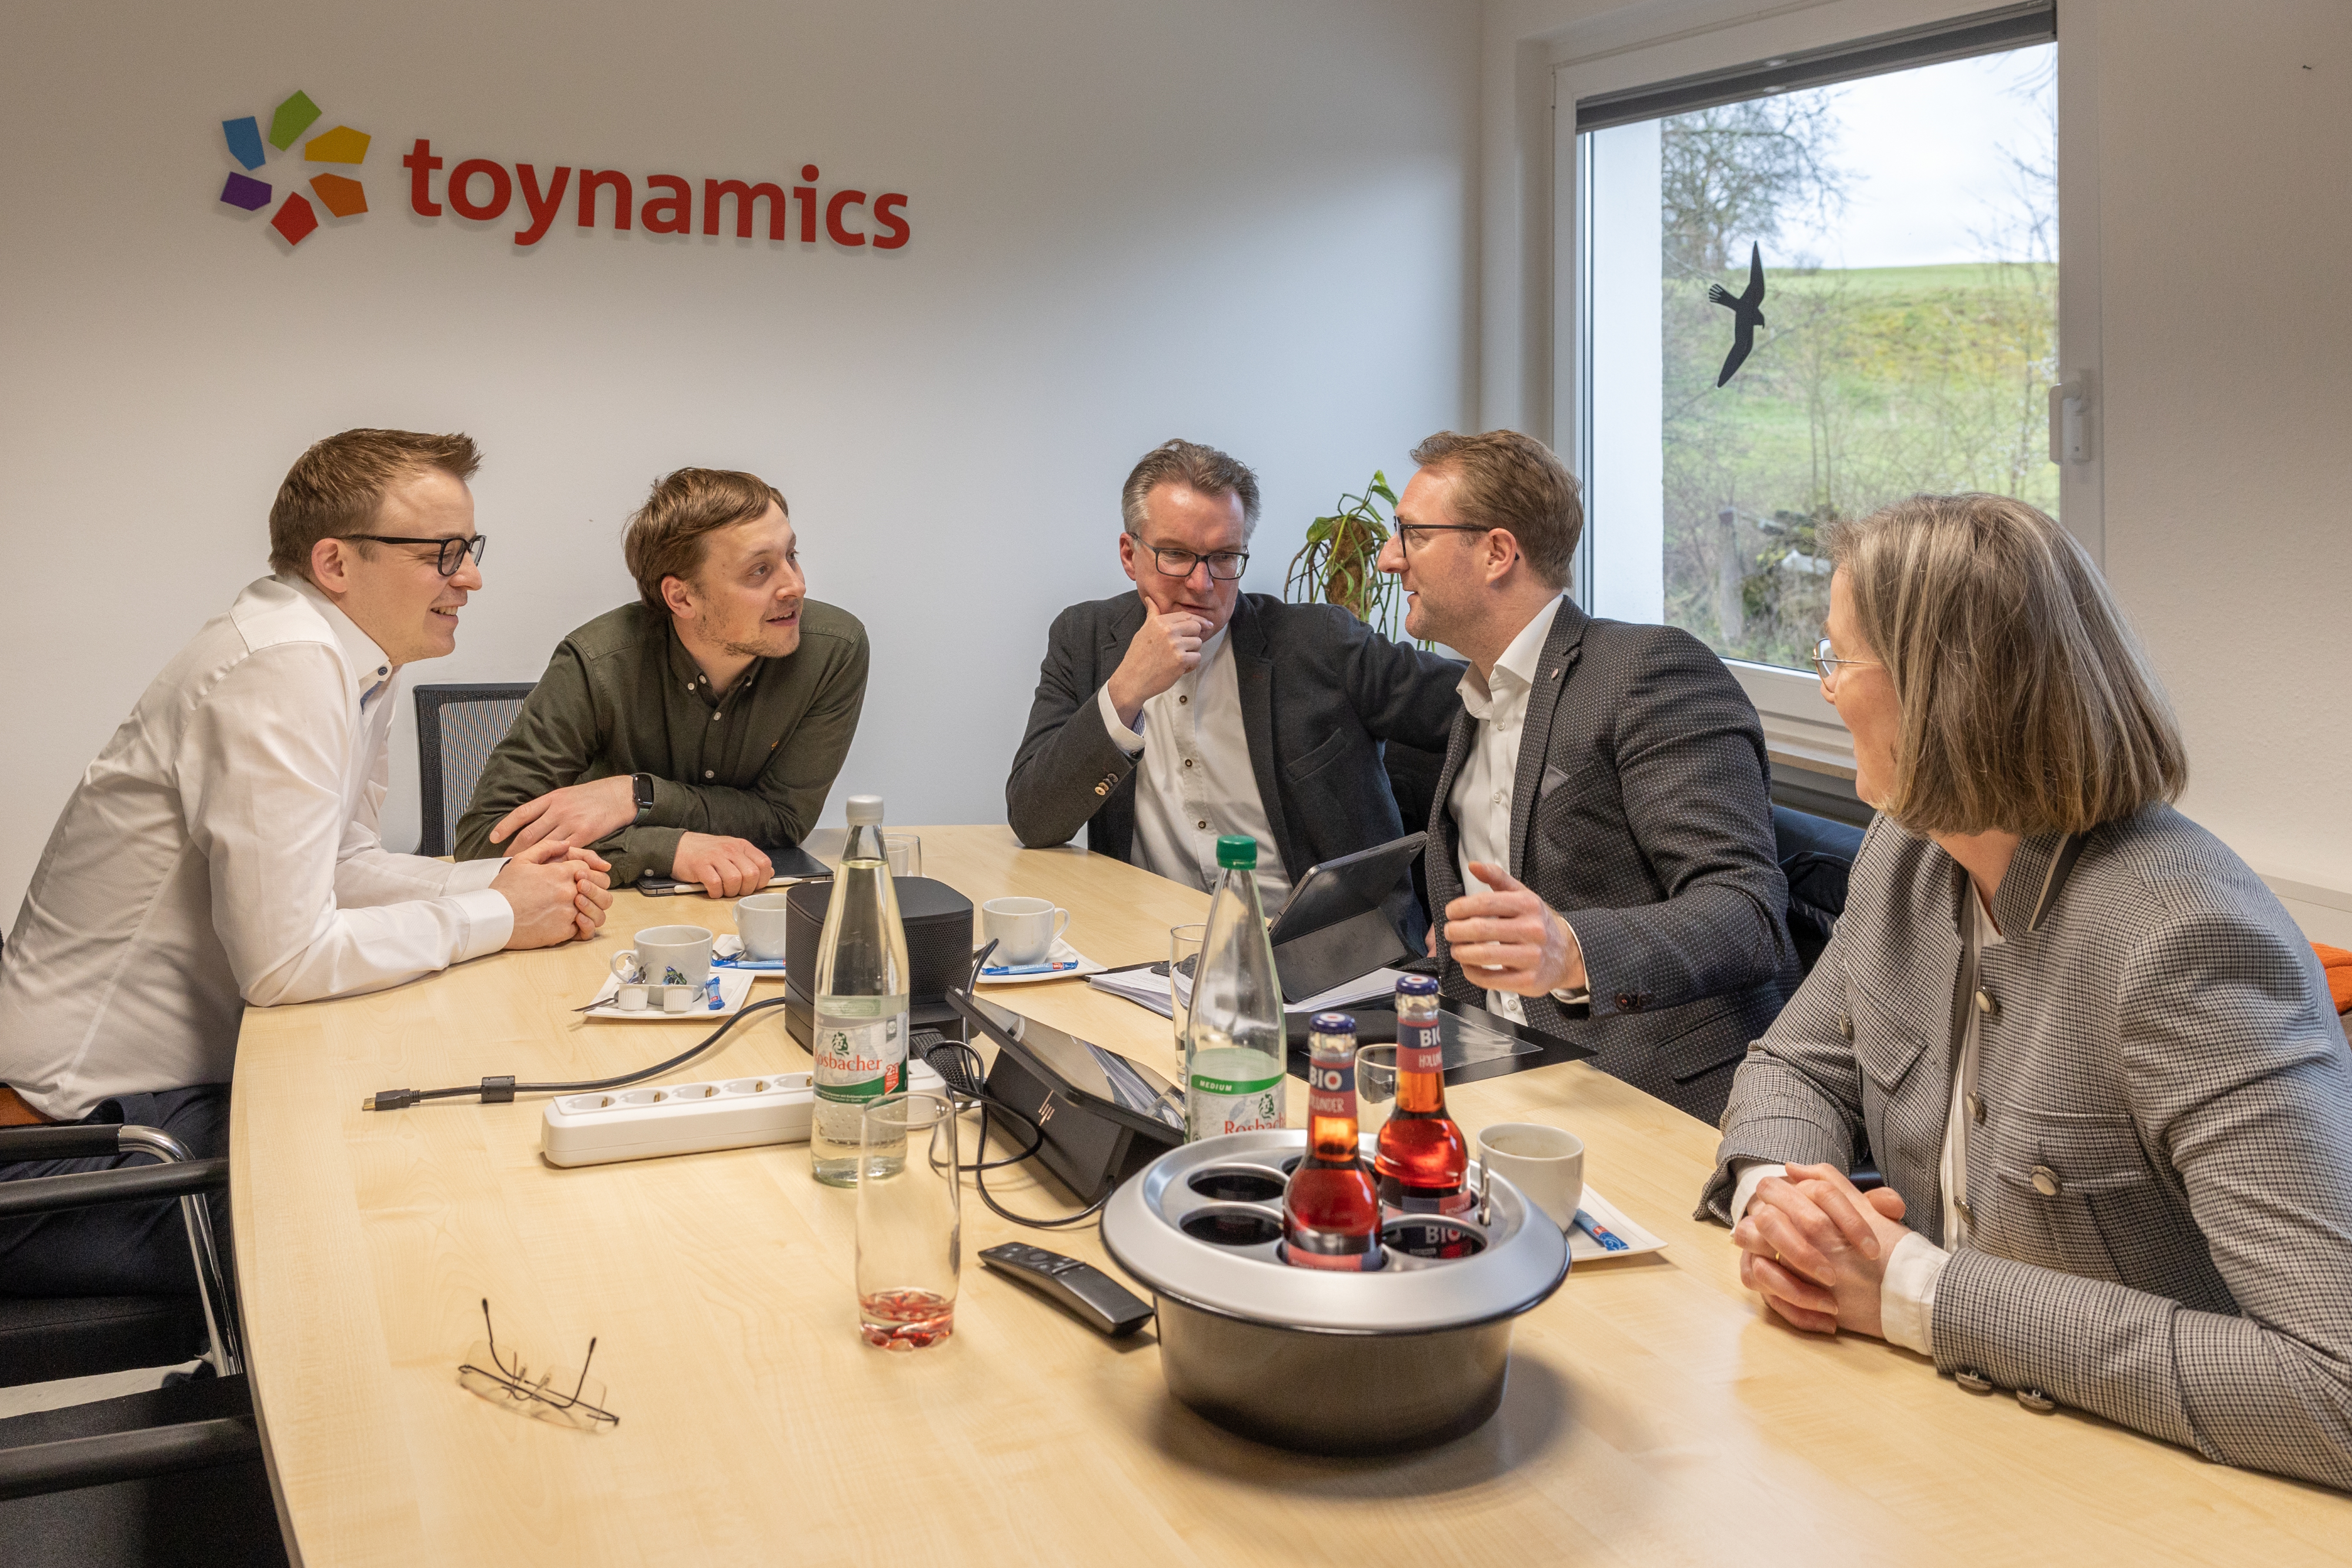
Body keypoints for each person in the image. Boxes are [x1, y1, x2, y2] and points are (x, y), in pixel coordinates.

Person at [1703, 493, 2352, 1493]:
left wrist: (1913, 1290)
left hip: (2157, 1497)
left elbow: (2334, 1389)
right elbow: (1793, 1062)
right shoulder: (1906, 854)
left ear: (1943, 690)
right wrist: (1784, 1201)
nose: (1825, 691)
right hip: (1947, 1451)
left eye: (1839, 661)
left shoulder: (2187, 941)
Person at [0, 429, 612, 1296]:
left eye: (469, 549)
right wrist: (503, 914)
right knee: (417, 1202)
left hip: (155, 1103)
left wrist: (513, 885)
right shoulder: (283, 666)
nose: (469, 576)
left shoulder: (349, 657)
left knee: (429, 1129)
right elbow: (285, 962)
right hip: (76, 1144)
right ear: (335, 561)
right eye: (443, 553)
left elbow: (342, 865)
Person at [1377, 429, 1795, 1122]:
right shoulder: (1480, 695)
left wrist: (1570, 949)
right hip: (1496, 1065)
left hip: (1642, 1093)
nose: (1391, 559)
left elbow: (1748, 916)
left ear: (1497, 552)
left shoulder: (1646, 671)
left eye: (1412, 534)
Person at [1006, 439, 1462, 921]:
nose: (1202, 585)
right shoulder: (1084, 639)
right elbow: (1034, 819)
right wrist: (1125, 691)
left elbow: (1484, 705)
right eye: (1176, 555)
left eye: (1224, 558)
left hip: (1323, 958)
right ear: (1129, 554)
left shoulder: (1320, 644)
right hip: (1155, 951)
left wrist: (1458, 891)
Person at [455, 469, 869, 896]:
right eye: (760, 570)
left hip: (754, 904)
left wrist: (636, 795)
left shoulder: (833, 651)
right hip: (605, 916)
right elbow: (486, 842)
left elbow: (783, 820)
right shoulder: (598, 663)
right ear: (682, 598)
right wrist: (664, 848)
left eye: (792, 555)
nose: (796, 585)